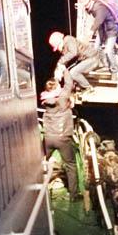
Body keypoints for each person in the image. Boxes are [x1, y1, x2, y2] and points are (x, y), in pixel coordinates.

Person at [40, 69, 79, 200]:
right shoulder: (62, 97)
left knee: (40, 162)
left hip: (48, 138)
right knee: (70, 165)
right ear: (57, 87)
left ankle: (39, 191)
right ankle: (73, 195)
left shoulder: (45, 99)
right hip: (63, 138)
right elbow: (69, 83)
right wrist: (64, 69)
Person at [87, 0, 118, 78]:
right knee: (96, 46)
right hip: (103, 25)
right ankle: (104, 64)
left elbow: (100, 17)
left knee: (108, 50)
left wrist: (91, 31)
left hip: (112, 25)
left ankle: (114, 70)